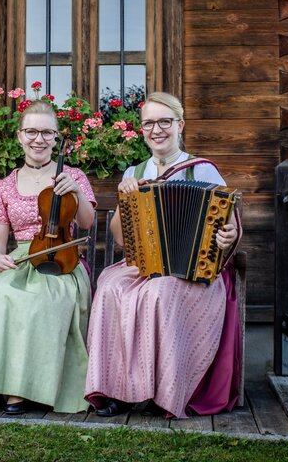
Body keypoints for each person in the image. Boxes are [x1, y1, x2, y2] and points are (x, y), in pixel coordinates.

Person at [84, 91, 242, 419]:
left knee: (160, 291)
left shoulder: (203, 170)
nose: (157, 130)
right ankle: (118, 392)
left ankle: (163, 391)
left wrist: (228, 236)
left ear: (180, 125)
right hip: (144, 264)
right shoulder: (134, 172)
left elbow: (230, 227)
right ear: (141, 130)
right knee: (110, 285)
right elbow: (120, 238)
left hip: (193, 271)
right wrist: (124, 202)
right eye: (149, 124)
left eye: (165, 122)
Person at [0, 100, 97, 415]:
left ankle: (31, 391)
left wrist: (75, 194)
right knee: (0, 296)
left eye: (47, 133)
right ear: (20, 136)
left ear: (55, 138)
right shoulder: (5, 186)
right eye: (32, 132)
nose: (39, 139)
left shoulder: (73, 175)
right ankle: (8, 387)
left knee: (43, 301)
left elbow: (88, 222)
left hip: (61, 256)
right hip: (21, 257)